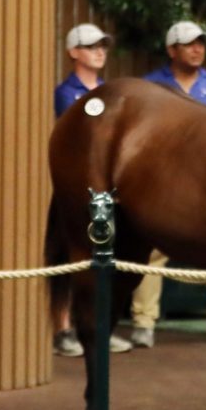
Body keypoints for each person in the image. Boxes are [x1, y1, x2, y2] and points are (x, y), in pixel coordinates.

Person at [130, 20, 206, 347]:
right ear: (172, 50)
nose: (198, 49)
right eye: (189, 44)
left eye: (201, 42)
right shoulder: (150, 86)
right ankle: (143, 323)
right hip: (162, 183)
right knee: (153, 249)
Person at [52, 22, 132, 357]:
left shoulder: (110, 91)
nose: (100, 51)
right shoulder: (65, 92)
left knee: (107, 254)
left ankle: (101, 324)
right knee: (72, 252)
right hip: (75, 184)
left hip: (106, 187)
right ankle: (63, 328)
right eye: (91, 46)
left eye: (103, 46)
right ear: (73, 53)